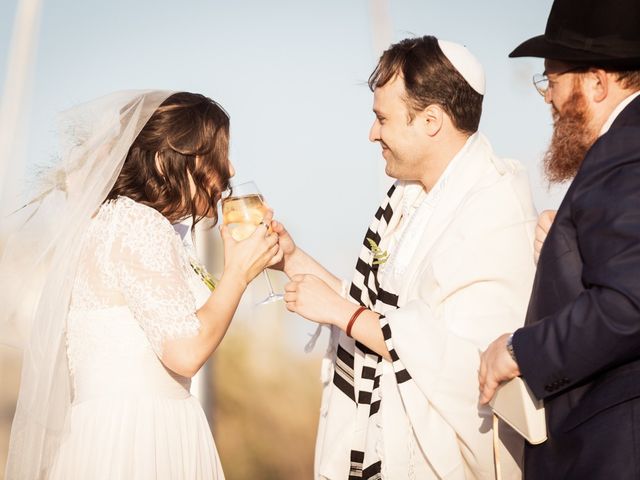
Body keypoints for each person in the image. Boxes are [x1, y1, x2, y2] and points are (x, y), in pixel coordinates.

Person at [272, 36, 537, 479]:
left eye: (382, 119)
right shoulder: (409, 200)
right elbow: (378, 311)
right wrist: (290, 257)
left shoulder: (494, 205)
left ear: (431, 121)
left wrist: (340, 312)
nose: (372, 133)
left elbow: (461, 363)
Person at [0, 91, 281, 479]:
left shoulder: (130, 222)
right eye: (221, 153)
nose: (230, 168)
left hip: (135, 428)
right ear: (190, 157)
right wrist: (237, 275)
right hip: (136, 440)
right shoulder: (137, 224)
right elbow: (185, 351)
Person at [479, 0, 640, 478]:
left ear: (596, 81)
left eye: (551, 80)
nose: (547, 97)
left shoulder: (624, 149)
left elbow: (629, 303)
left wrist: (519, 351)